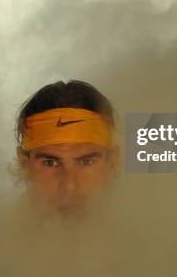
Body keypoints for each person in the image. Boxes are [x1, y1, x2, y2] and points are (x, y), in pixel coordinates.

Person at [14, 80, 119, 219]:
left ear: (112, 163)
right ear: (24, 165)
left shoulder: (149, 235)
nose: (69, 186)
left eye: (86, 162)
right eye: (50, 163)